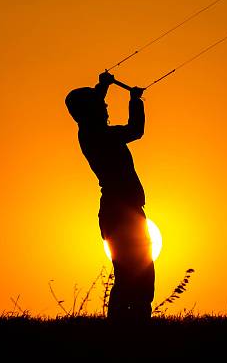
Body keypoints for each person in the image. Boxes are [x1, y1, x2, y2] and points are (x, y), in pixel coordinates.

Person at [65, 71, 154, 320]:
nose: (106, 107)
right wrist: (135, 100)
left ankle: (127, 327)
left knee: (134, 273)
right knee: (135, 275)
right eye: (102, 105)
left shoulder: (90, 132)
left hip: (120, 210)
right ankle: (128, 328)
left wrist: (102, 87)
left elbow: (91, 107)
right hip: (120, 210)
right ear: (92, 111)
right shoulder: (100, 135)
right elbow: (136, 130)